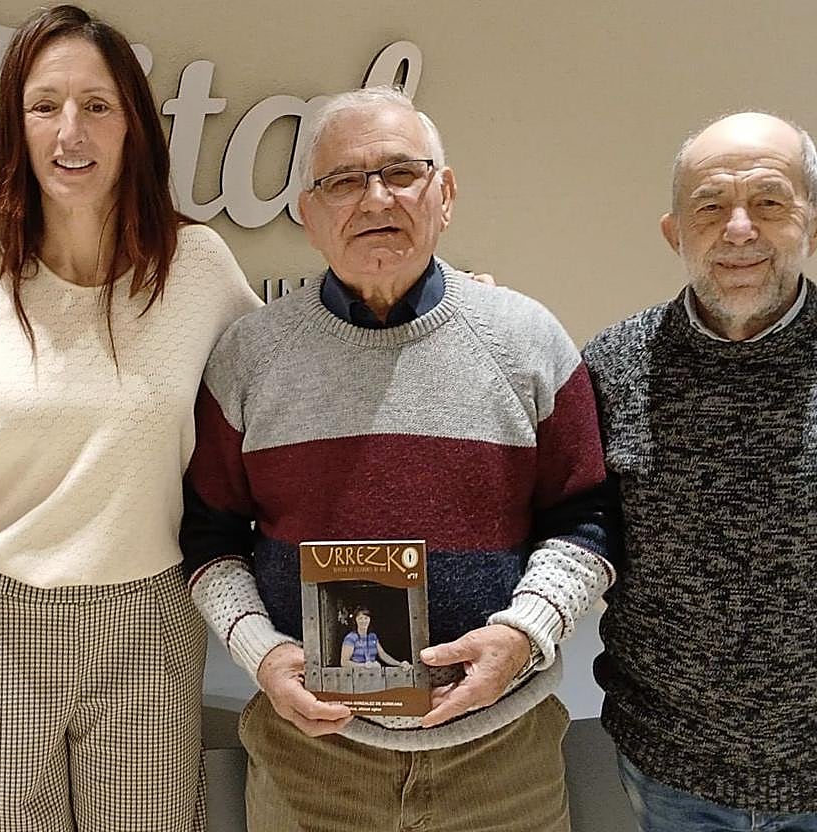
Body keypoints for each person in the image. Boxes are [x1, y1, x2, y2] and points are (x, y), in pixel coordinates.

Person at [180, 86, 612, 832]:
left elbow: (588, 520)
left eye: (402, 173)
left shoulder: (528, 341)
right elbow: (209, 537)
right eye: (343, 181)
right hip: (310, 766)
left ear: (446, 195)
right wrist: (262, 653)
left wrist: (524, 634)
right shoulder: (249, 357)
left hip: (502, 762)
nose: (376, 198)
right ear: (308, 214)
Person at [0, 5, 260, 830]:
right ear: (16, 125)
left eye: (98, 105)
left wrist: (447, 303)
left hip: (150, 616)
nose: (72, 130)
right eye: (45, 105)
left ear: (133, 124)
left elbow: (289, 372)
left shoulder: (197, 266)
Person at [584, 111, 817, 831]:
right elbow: (580, 530)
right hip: (671, 772)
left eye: (769, 202)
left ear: (811, 223)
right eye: (710, 207)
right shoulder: (612, 365)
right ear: (674, 233)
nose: (739, 230)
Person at [340, 607, 410, 668]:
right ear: (355, 620)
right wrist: (364, 665)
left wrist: (399, 664)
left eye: (366, 618)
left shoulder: (372, 637)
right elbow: (344, 662)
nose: (363, 621)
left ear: (369, 620)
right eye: (360, 618)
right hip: (356, 675)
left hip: (373, 675)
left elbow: (383, 655)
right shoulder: (350, 638)